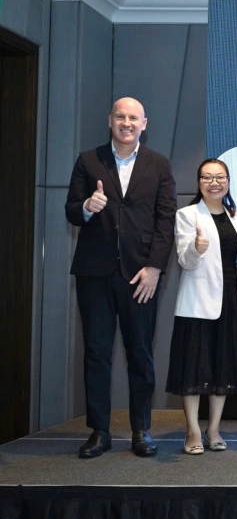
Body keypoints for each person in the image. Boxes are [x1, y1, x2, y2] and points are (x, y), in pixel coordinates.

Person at [64, 97, 176, 459]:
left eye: (133, 118)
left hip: (140, 274)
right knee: (96, 352)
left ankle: (141, 430)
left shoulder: (159, 164)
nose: (126, 123)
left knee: (140, 353)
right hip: (94, 272)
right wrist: (86, 207)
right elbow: (71, 211)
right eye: (120, 117)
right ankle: (99, 431)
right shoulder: (88, 160)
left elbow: (165, 220)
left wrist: (156, 268)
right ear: (109, 119)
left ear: (145, 123)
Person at [166, 159, 237, 455]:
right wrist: (196, 248)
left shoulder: (235, 215)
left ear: (228, 180)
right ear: (199, 181)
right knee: (193, 368)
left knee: (222, 367)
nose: (215, 182)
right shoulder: (187, 215)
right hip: (198, 303)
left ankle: (213, 429)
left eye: (220, 177)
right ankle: (192, 431)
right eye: (207, 177)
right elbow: (184, 261)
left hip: (230, 301)